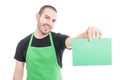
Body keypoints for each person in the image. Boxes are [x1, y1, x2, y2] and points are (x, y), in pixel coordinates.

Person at [13, 5, 102, 80]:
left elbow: (73, 41)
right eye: (47, 18)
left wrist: (85, 34)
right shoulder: (23, 44)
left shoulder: (57, 40)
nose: (49, 23)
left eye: (53, 20)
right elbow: (18, 73)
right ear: (38, 16)